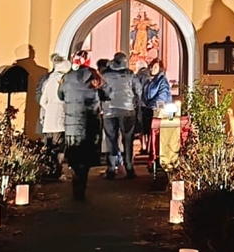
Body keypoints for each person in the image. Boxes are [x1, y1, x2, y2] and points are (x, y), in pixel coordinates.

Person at [58, 57, 104, 200]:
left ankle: (76, 183)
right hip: (90, 122)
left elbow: (60, 95)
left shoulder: (67, 77)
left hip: (72, 123)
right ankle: (82, 184)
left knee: (74, 154)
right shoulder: (95, 76)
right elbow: (108, 94)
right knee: (86, 155)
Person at [102, 51, 142, 179]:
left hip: (109, 111)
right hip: (127, 110)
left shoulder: (105, 75)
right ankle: (129, 167)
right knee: (128, 139)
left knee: (111, 140)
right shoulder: (130, 74)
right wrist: (136, 104)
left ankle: (111, 168)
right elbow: (138, 91)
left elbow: (101, 91)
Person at [35, 54, 68, 178]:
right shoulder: (64, 81)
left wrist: (48, 109)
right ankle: (58, 171)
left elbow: (42, 100)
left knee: (49, 146)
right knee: (60, 147)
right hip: (61, 118)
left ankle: (49, 171)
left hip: (48, 119)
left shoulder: (47, 80)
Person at [141, 60, 172, 174]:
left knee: (157, 136)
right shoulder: (150, 80)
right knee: (150, 135)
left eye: (155, 67)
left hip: (158, 111)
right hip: (148, 110)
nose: (152, 69)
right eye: (151, 66)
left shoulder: (162, 80)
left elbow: (162, 96)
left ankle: (157, 160)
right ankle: (152, 160)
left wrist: (151, 105)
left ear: (160, 68)